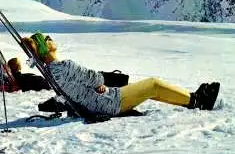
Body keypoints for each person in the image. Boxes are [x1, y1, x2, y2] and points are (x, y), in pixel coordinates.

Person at [22, 32, 220, 117]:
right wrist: (100, 83)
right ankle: (197, 101)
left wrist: (96, 86)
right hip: (108, 102)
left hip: (96, 101)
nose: (51, 39)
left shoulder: (52, 71)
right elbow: (94, 77)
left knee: (150, 90)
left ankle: (189, 98)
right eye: (47, 39)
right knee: (153, 84)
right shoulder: (63, 66)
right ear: (44, 47)